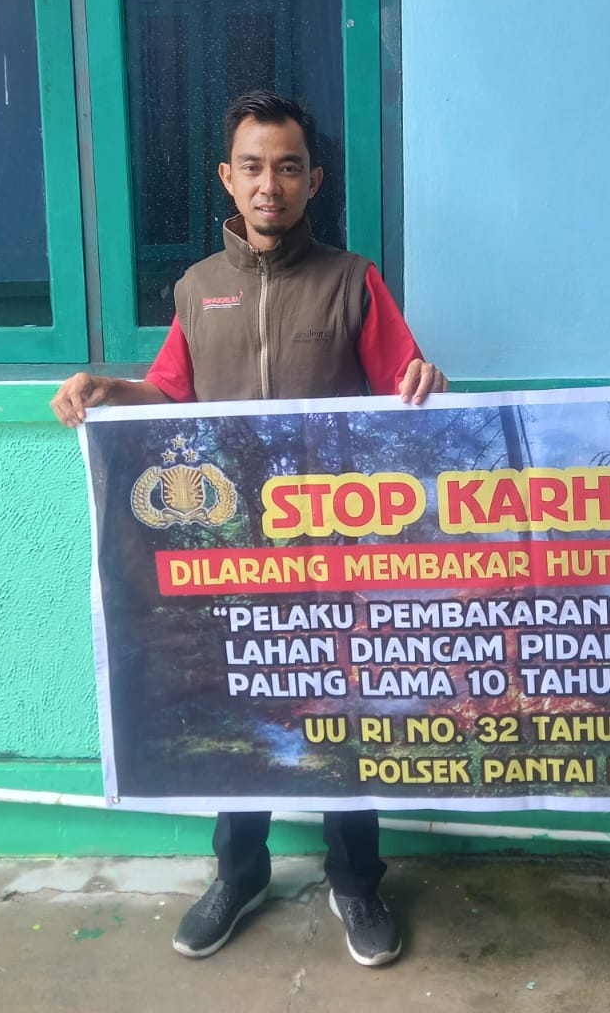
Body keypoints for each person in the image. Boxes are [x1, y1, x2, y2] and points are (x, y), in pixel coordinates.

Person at [53, 90, 446, 969]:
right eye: (255, 167)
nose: (272, 184)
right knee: (240, 701)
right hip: (233, 550)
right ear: (228, 178)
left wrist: (427, 382)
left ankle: (357, 880)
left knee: (340, 709)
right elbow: (170, 393)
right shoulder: (199, 289)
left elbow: (406, 389)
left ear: (314, 180)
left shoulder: (353, 281)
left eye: (289, 167)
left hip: (335, 550)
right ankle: (239, 872)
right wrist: (110, 390)